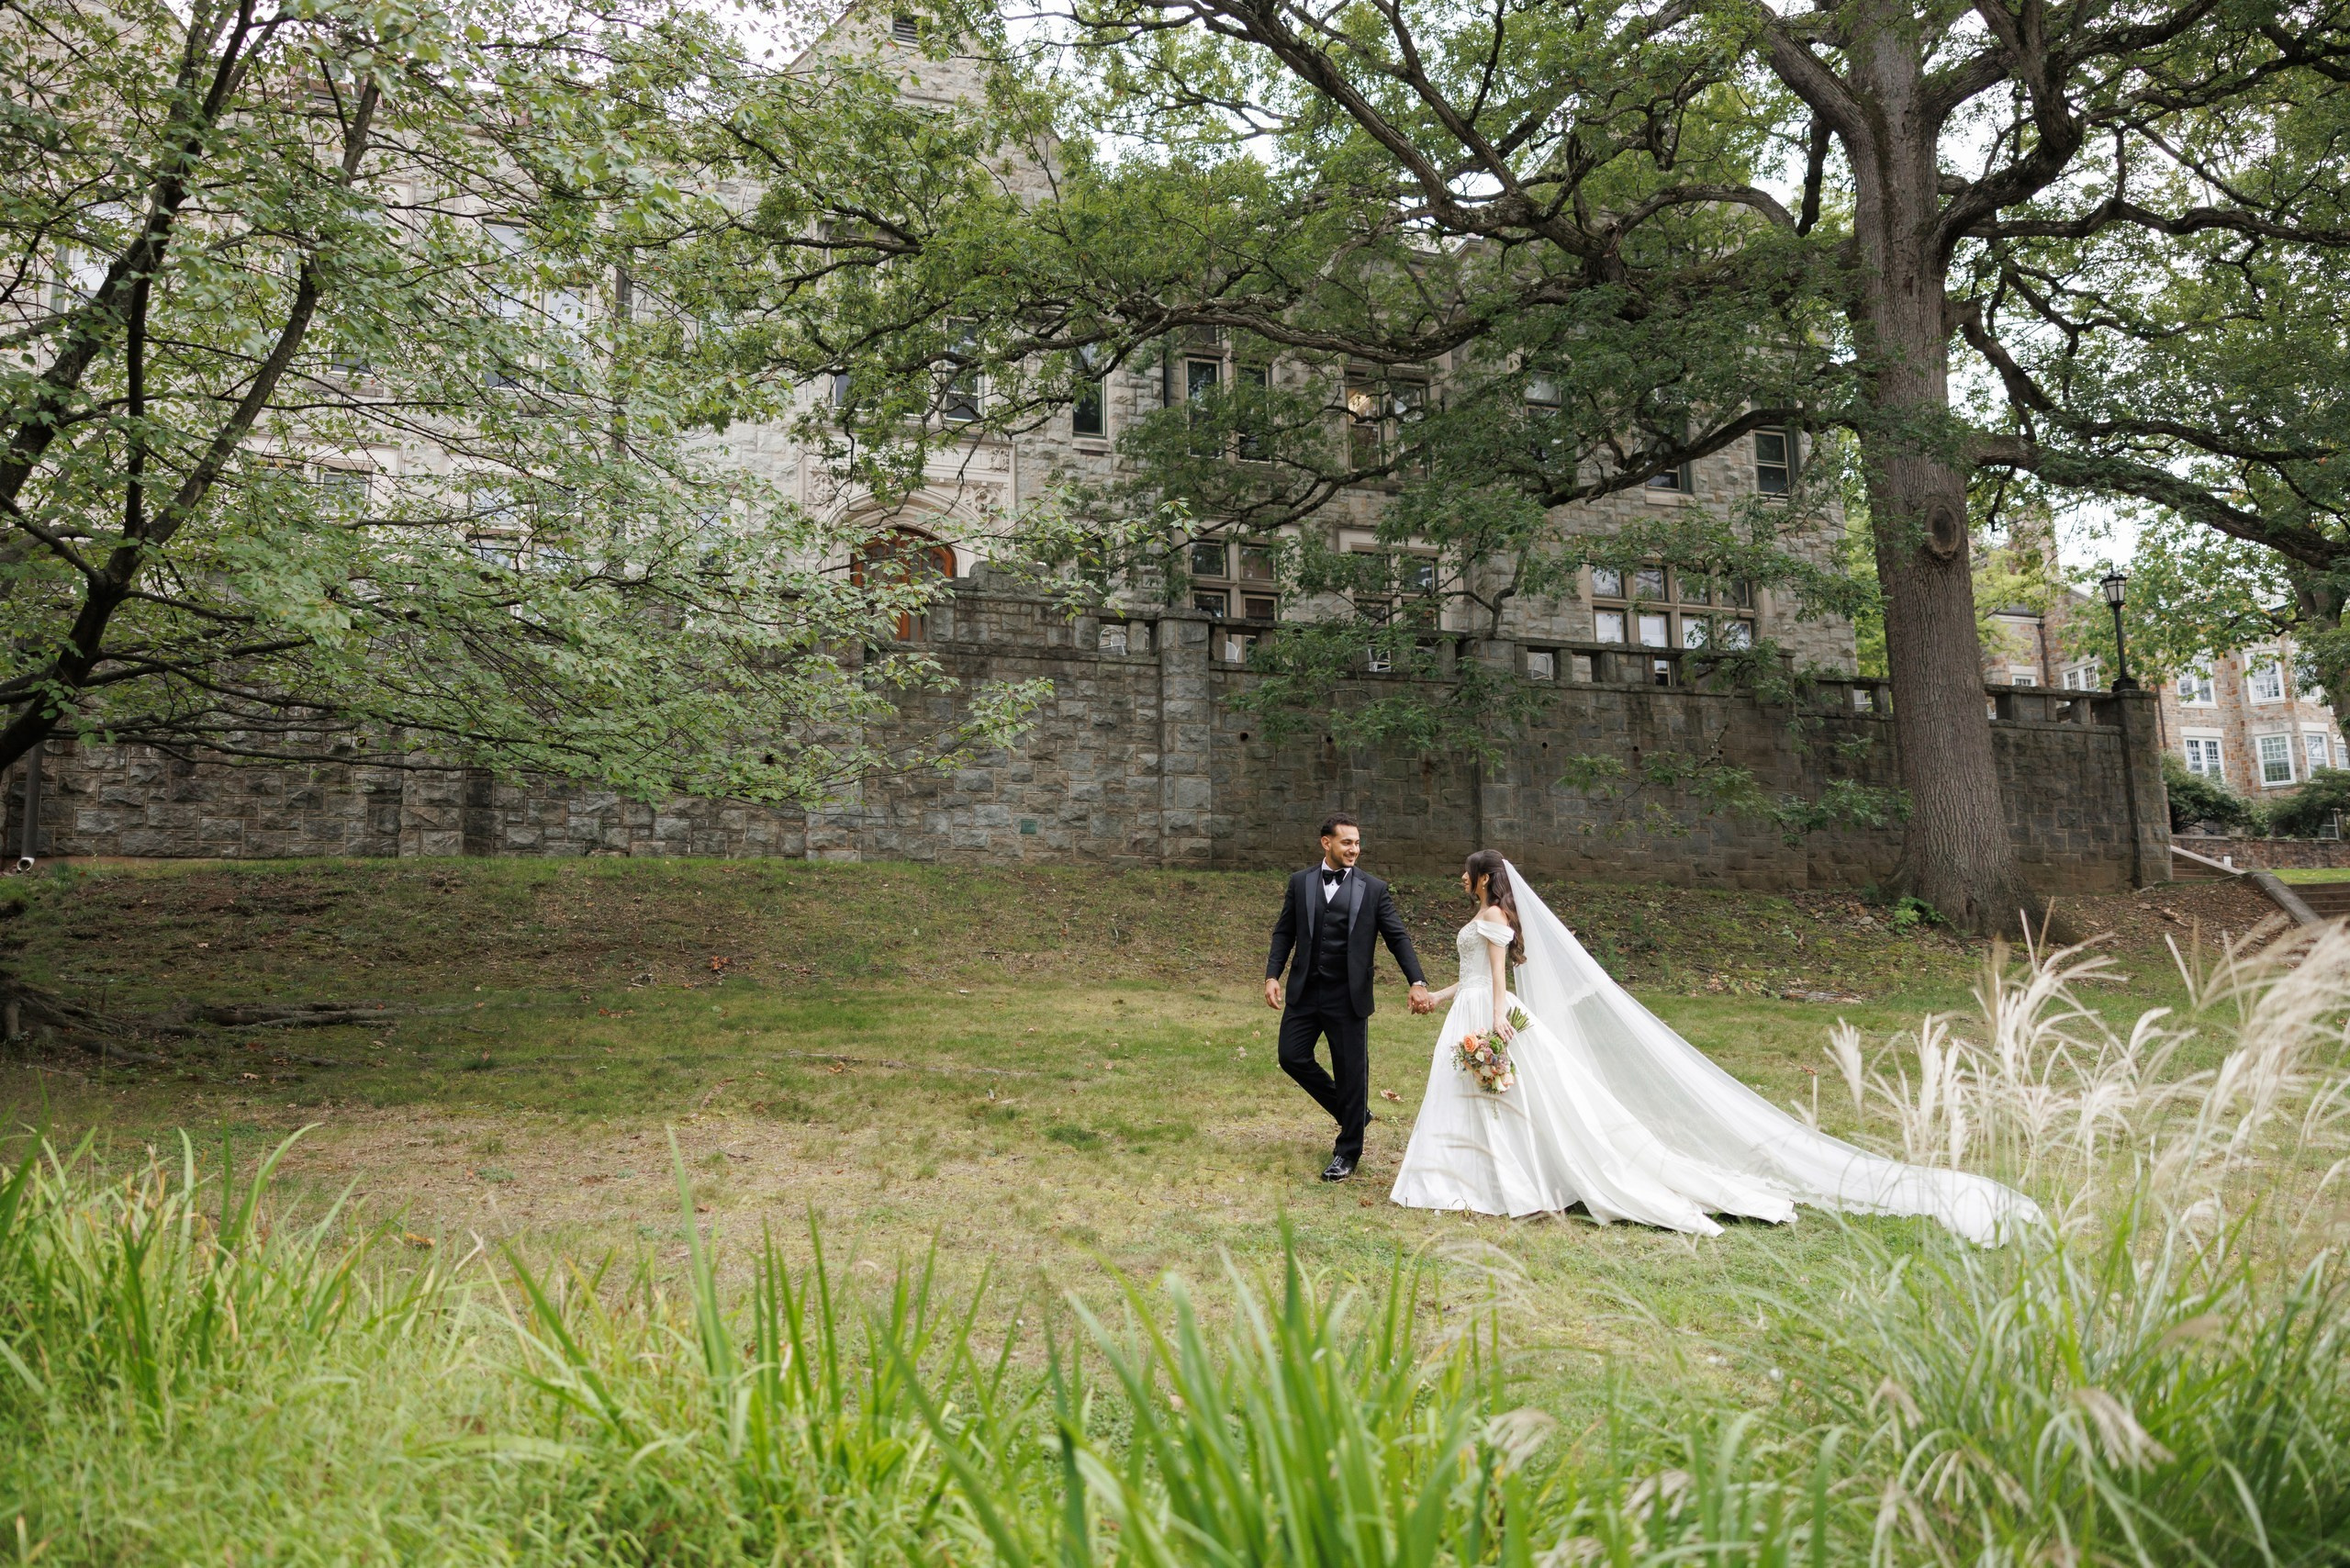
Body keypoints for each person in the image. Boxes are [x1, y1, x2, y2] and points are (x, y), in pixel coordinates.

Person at [1390, 851, 2043, 1244]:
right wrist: (1438, 999)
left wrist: (1500, 1027)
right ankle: (1480, 1182)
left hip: (1497, 1017)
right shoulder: (1482, 921)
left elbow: (1500, 982)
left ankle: (1518, 1186)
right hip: (1473, 1010)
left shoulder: (1496, 917)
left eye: (1466, 874)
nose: (1461, 880)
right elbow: (1476, 977)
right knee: (1481, 1103)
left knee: (1518, 1104)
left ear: (1483, 879)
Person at [1264, 812, 1434, 1182]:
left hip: (1348, 996)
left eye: (1357, 843)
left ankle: (1347, 1152)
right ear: (1327, 843)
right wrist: (1272, 975)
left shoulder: (1373, 889)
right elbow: (1284, 932)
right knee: (1291, 1056)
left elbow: (1397, 937)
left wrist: (1417, 980)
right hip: (1306, 991)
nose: (1354, 849)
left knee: (1351, 1073)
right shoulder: (1300, 883)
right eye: (1347, 842)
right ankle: (1355, 1114)